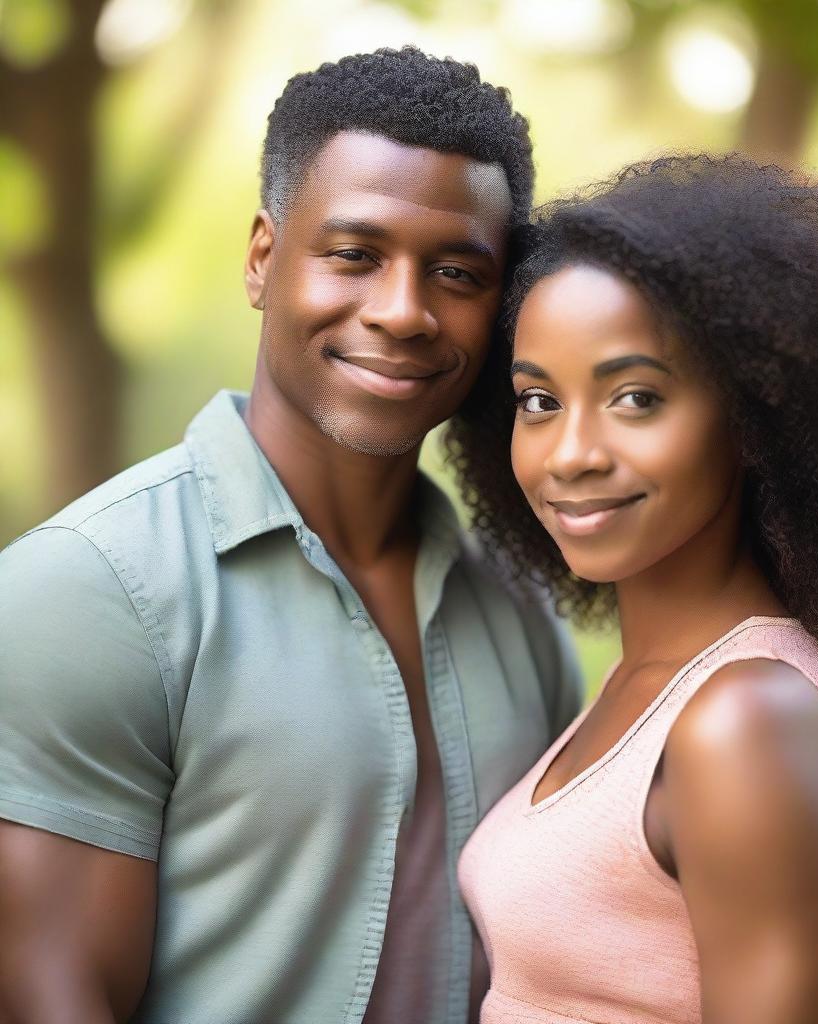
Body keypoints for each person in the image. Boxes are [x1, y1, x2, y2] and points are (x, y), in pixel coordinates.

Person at [0, 47, 581, 1024]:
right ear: (264, 258)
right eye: (354, 255)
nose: (402, 311)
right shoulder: (86, 592)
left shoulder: (524, 615)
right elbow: (52, 994)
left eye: (455, 272)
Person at [450, 154, 818, 1023]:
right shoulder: (653, 686)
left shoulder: (745, 716)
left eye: (636, 397)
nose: (570, 453)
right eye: (539, 401)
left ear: (757, 420)